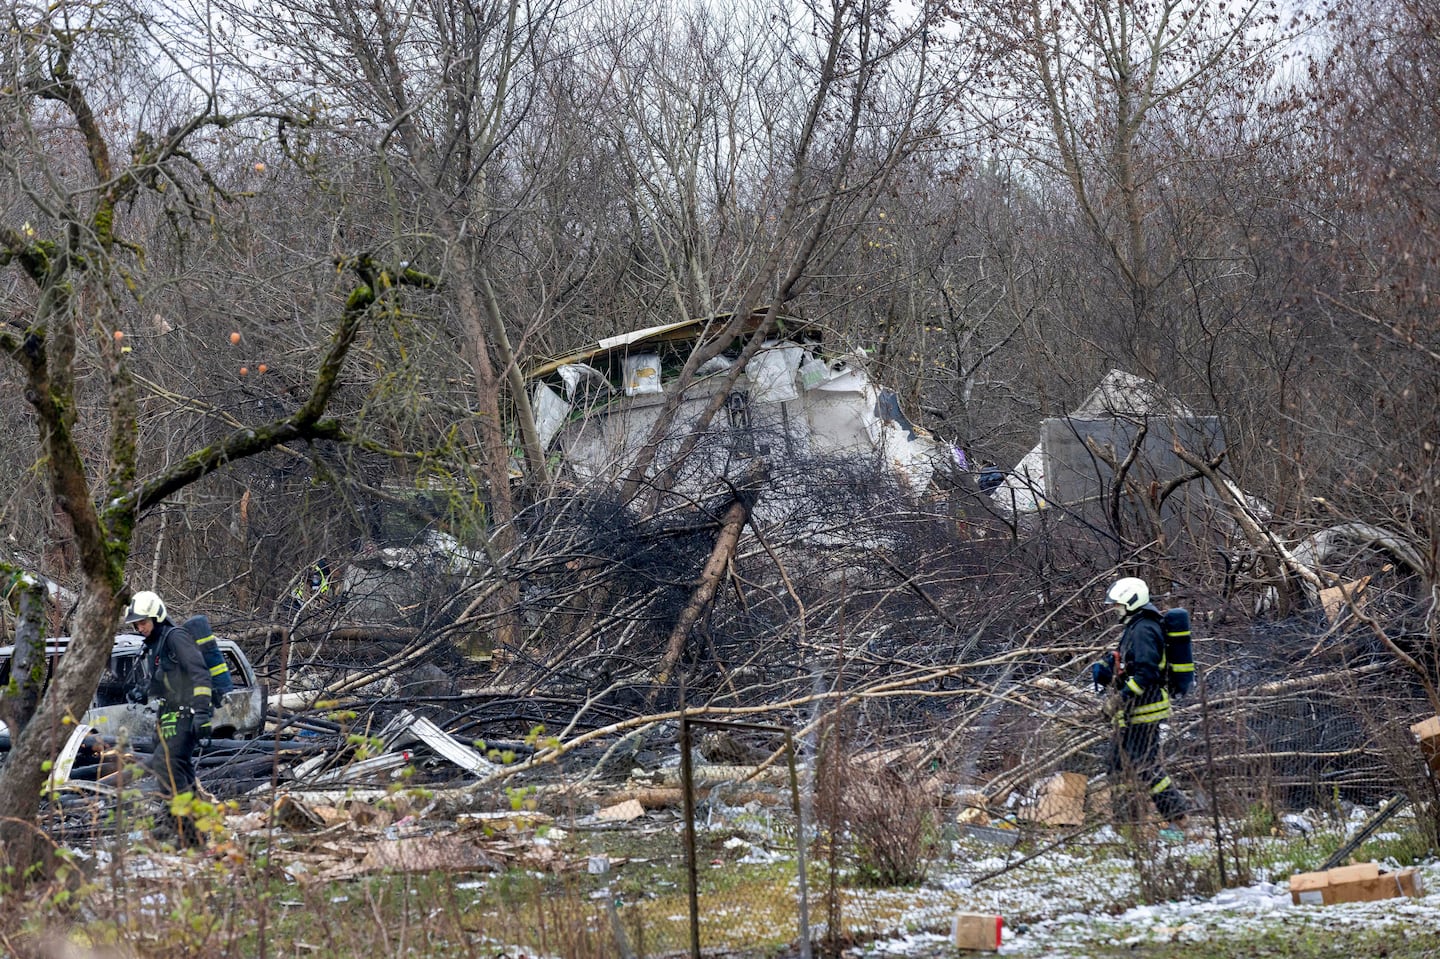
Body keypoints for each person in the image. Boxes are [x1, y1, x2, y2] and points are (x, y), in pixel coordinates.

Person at [1091, 576, 1188, 839]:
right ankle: (1126, 822)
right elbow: (1130, 663)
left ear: (1131, 602)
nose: (1115, 609)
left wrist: (1119, 699)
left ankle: (1176, 817)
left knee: (1144, 765)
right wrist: (1108, 667)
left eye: (1117, 604)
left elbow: (1145, 672)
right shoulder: (1136, 626)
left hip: (1144, 710)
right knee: (1116, 764)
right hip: (1134, 710)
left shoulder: (1144, 628)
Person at [123, 590, 213, 801]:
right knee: (178, 767)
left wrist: (201, 713)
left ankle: (180, 821)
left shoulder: (176, 638)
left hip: (186, 714)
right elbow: (168, 682)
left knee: (168, 764)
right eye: (136, 625)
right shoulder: (157, 644)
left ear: (156, 616)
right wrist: (145, 691)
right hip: (168, 716)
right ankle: (193, 821)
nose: (140, 628)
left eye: (143, 622)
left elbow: (200, 673)